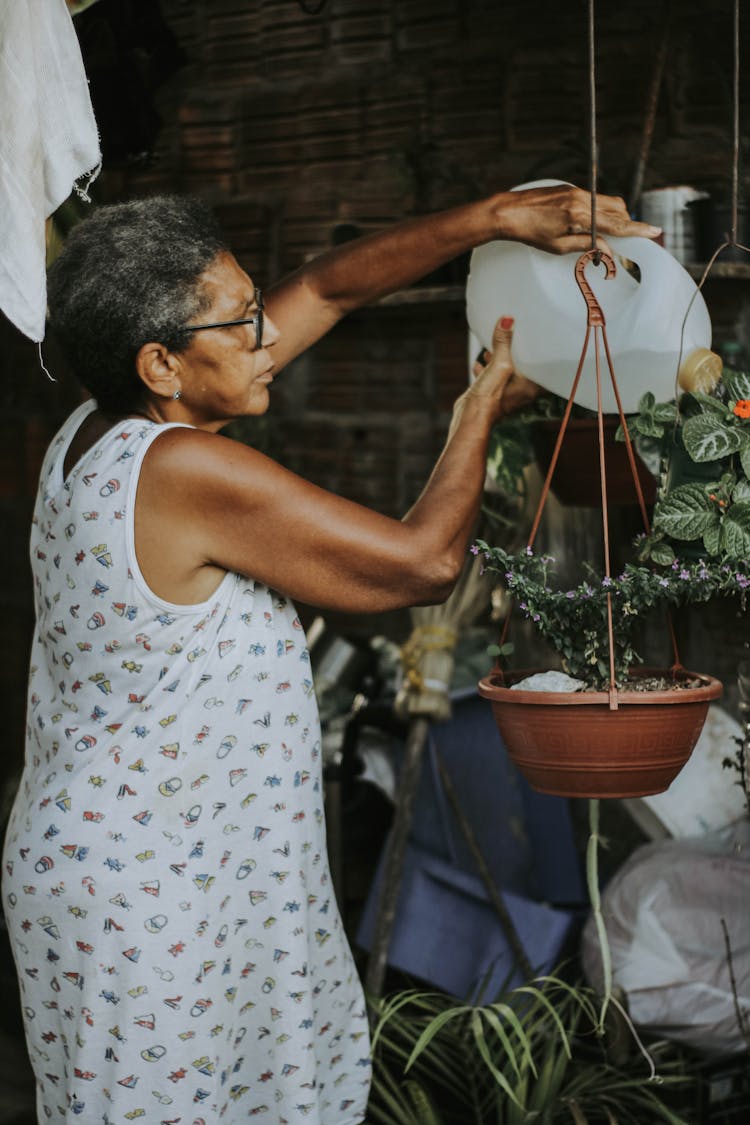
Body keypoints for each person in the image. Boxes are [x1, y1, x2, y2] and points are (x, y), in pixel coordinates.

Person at [2, 184, 657, 1125]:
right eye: (243, 324)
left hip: (157, 864)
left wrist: (494, 219)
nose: (271, 335)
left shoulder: (96, 429)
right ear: (163, 362)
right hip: (145, 898)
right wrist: (482, 403)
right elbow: (423, 563)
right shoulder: (184, 470)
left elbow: (332, 290)